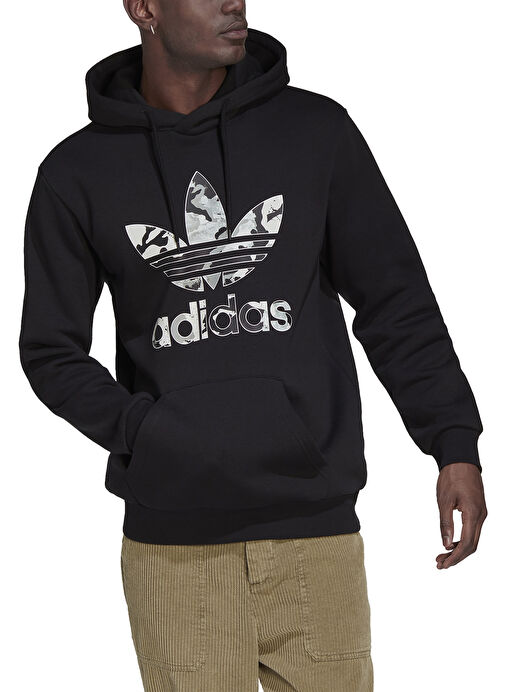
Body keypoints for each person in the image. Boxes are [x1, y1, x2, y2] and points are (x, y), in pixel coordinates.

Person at [18, 1, 487, 690]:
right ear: (144, 8)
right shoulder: (77, 171)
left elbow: (395, 302)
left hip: (315, 534)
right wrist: (146, 432)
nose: (234, 1)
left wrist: (452, 443)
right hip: (174, 552)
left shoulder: (315, 133)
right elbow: (50, 351)